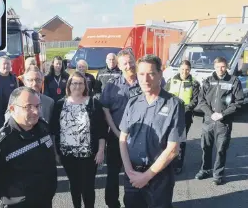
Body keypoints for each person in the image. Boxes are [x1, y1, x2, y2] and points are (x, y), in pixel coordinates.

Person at [119, 54, 186, 208]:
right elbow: (122, 138)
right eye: (141, 74)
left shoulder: (174, 105)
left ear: (160, 74)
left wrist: (147, 176)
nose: (145, 79)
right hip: (132, 174)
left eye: (151, 73)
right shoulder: (133, 102)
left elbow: (173, 149)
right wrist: (129, 170)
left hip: (159, 177)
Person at [0, 87, 57, 208]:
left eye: (38, 106)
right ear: (12, 109)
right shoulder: (0, 145)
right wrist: (13, 197)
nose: (36, 111)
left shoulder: (43, 128)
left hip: (44, 201)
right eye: (28, 107)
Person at [51, 71, 107, 208]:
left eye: (81, 83)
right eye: (74, 83)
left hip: (89, 155)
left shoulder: (94, 103)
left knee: (88, 187)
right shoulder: (59, 104)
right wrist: (56, 152)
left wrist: (101, 151)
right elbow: (53, 131)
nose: (77, 86)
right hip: (67, 155)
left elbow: (102, 130)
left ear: (85, 85)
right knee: (74, 185)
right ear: (69, 85)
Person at [100, 49, 140, 208]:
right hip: (116, 137)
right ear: (119, 65)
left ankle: (135, 203)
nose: (129, 65)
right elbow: (105, 110)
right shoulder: (111, 86)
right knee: (113, 174)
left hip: (139, 138)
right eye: (125, 63)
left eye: (131, 62)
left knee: (136, 173)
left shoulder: (144, 82)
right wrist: (117, 133)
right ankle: (112, 204)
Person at [195, 56, 244, 185]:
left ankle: (218, 174)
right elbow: (201, 101)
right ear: (214, 67)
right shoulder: (208, 81)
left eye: (222, 66)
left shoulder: (234, 81)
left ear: (227, 66)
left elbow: (238, 102)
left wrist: (223, 114)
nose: (220, 69)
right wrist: (210, 114)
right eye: (217, 67)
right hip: (208, 121)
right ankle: (205, 170)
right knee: (205, 147)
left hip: (224, 122)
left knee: (221, 149)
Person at [164, 60, 200, 174]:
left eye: (187, 69)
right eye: (183, 69)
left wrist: (184, 109)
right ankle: (167, 162)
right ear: (179, 69)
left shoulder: (194, 83)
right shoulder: (171, 80)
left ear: (190, 70)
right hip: (171, 114)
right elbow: (164, 95)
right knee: (168, 139)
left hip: (185, 115)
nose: (184, 72)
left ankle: (178, 164)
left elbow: (195, 100)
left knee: (181, 141)